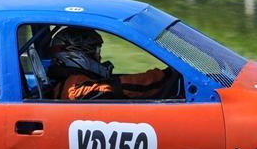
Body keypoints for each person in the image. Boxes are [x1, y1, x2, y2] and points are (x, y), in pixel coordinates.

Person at [47, 26, 176, 100]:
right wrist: (164, 76)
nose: (99, 57)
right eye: (95, 53)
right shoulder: (75, 88)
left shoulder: (75, 81)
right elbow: (119, 87)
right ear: (77, 54)